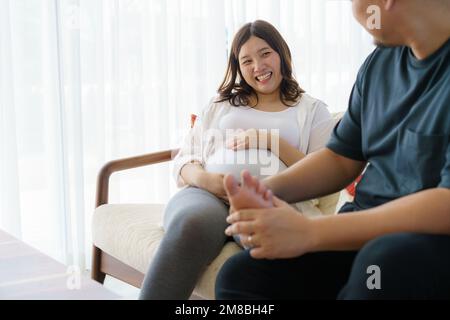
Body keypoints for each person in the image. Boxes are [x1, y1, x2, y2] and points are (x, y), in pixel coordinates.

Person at [216, 0, 450, 300]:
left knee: (381, 263)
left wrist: (310, 232)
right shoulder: (379, 64)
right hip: (364, 232)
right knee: (242, 276)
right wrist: (264, 192)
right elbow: (340, 159)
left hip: (428, 243)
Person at [138, 20, 336, 300]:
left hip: (272, 198)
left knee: (269, 243)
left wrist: (269, 141)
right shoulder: (221, 104)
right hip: (208, 196)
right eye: (247, 60)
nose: (258, 66)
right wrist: (209, 181)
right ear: (238, 68)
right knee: (190, 224)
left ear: (281, 54)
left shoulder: (312, 110)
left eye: (265, 53)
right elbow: (185, 159)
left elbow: (322, 172)